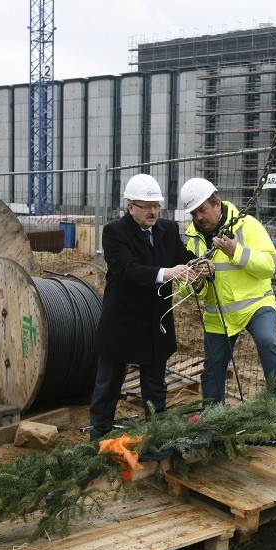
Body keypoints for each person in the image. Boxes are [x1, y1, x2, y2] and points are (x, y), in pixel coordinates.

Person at [89, 174, 206, 441]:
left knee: (155, 385)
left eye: (156, 206)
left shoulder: (168, 229)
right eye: (146, 206)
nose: (153, 211)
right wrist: (166, 273)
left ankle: (157, 434)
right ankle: (99, 435)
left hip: (156, 320)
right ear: (130, 207)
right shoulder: (115, 233)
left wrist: (198, 264)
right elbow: (126, 269)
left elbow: (182, 257)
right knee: (108, 384)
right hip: (122, 320)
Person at [178, 177, 276, 409]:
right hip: (218, 314)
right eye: (193, 213)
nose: (199, 217)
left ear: (217, 204)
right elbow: (185, 288)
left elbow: (271, 265)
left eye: (203, 210)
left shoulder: (247, 225)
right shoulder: (192, 240)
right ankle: (213, 418)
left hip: (256, 305)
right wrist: (198, 280)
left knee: (268, 343)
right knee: (213, 368)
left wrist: (237, 252)